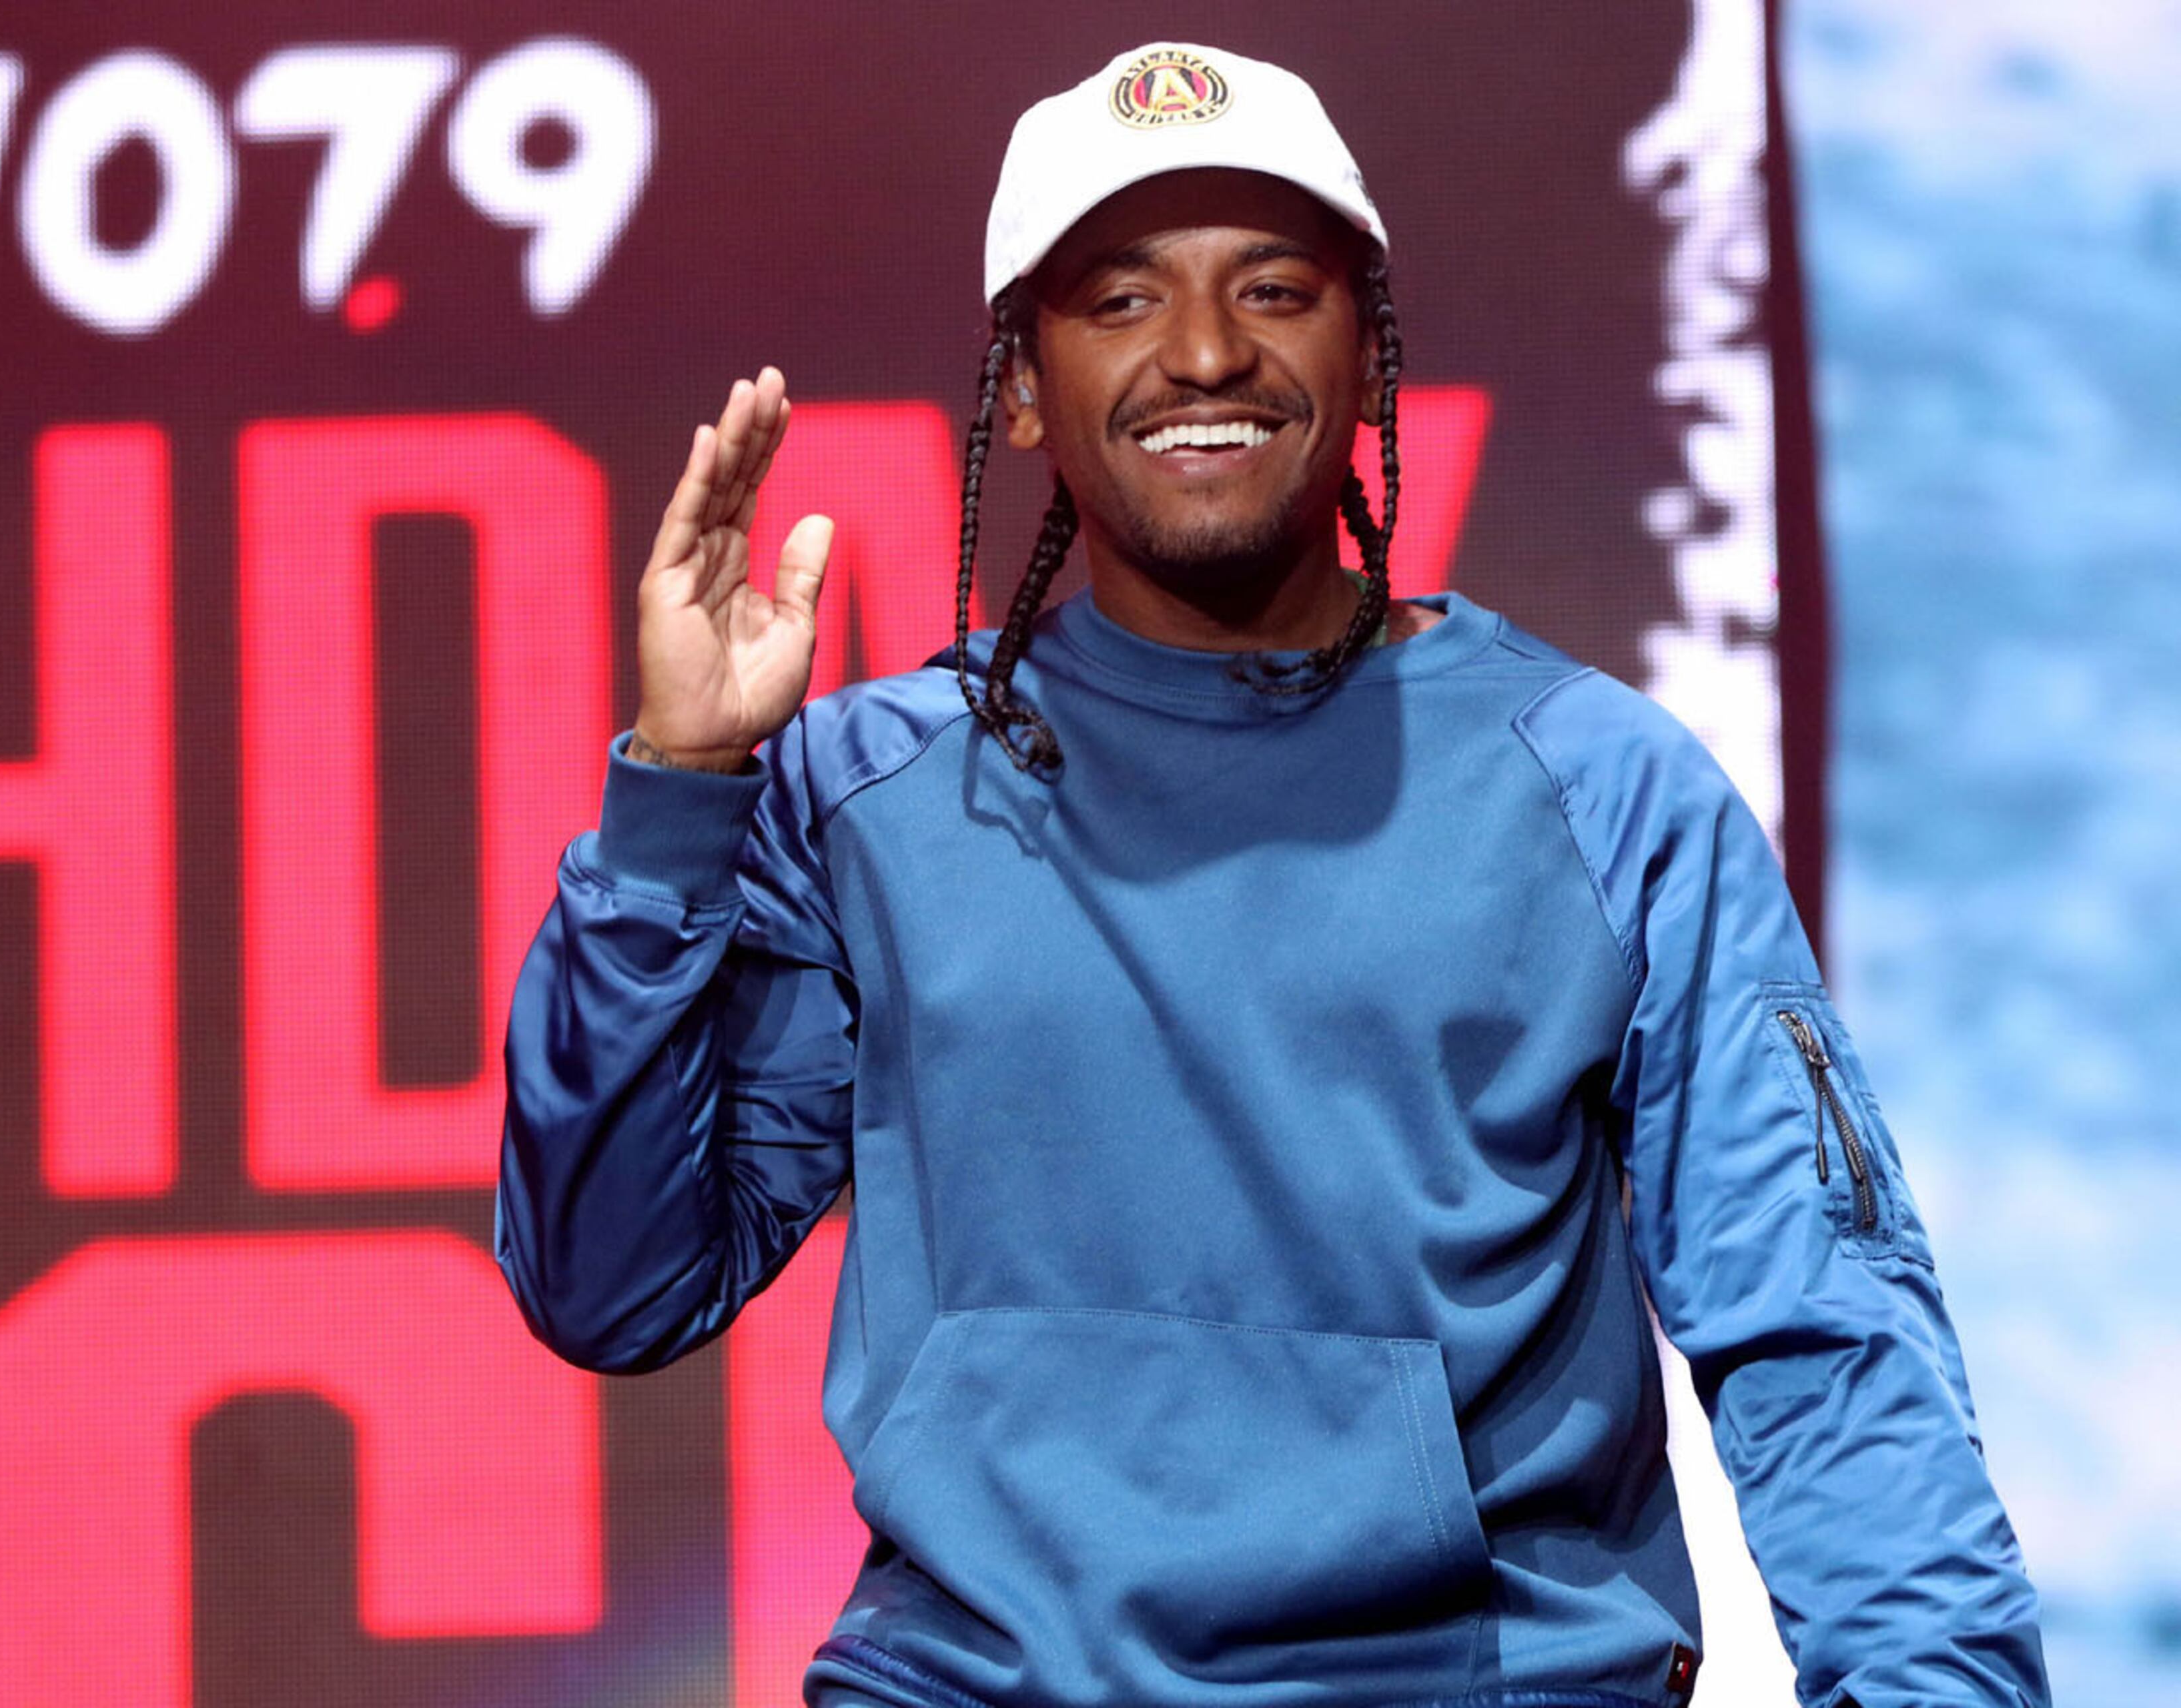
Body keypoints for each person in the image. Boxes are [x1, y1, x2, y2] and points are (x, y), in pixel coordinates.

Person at [495, 41, 2050, 1708]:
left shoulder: (1600, 789)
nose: (1208, 351)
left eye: (1276, 287)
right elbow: (617, 1285)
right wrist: (679, 796)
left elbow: (1825, 1335)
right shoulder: (865, 794)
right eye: (1120, 300)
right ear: (1020, 385)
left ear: (1367, 350)